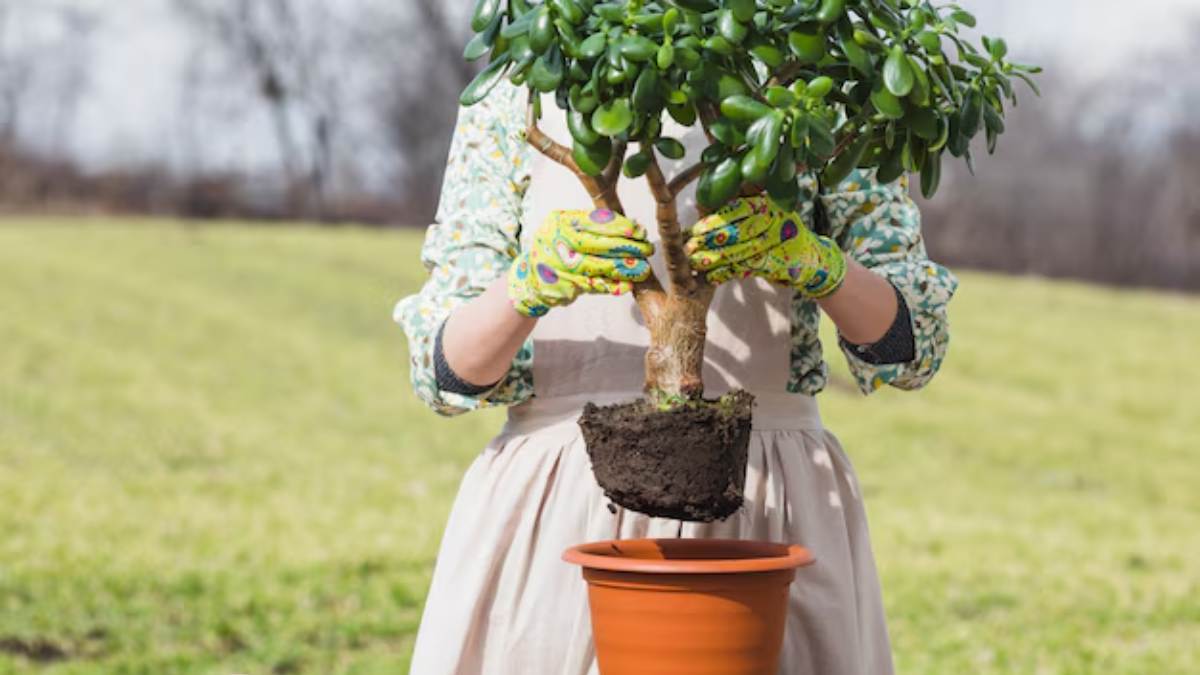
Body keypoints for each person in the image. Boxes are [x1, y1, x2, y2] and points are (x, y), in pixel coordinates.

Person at [395, 80, 958, 675]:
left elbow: (911, 349)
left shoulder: (815, 80)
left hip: (766, 508)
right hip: (558, 514)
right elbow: (445, 375)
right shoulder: (517, 95)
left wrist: (821, 266)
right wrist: (529, 283)